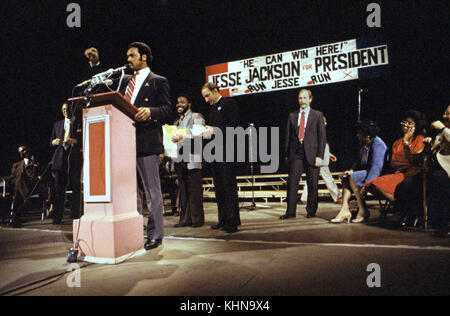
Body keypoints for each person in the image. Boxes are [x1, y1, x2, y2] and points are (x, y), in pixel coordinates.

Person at [118, 42, 172, 250]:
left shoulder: (159, 81)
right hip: (123, 142)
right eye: (127, 56)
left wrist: (150, 112)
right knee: (130, 192)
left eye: (132, 56)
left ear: (144, 57)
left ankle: (155, 234)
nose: (128, 59)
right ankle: (134, 231)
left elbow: (168, 110)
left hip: (147, 142)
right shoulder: (123, 83)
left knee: (152, 192)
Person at [395, 105, 450, 234]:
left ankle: (440, 221)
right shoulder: (440, 134)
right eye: (444, 113)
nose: (444, 116)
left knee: (439, 178)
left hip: (446, 172)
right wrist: (408, 144)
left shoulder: (444, 131)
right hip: (432, 171)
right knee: (405, 185)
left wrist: (442, 128)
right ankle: (413, 215)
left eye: (447, 114)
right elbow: (417, 160)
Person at [201, 82, 241, 233]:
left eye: (207, 96)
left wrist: (214, 130)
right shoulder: (211, 110)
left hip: (228, 152)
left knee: (229, 187)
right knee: (219, 188)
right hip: (215, 153)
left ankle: (232, 221)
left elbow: (234, 127)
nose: (206, 100)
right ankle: (223, 219)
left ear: (215, 91)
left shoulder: (229, 104)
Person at [282, 88, 326, 219]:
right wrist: (286, 155)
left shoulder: (317, 115)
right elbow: (288, 137)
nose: (302, 100)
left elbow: (322, 137)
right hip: (296, 153)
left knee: (312, 184)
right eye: (300, 98)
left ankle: (311, 211)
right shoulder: (292, 115)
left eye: (305, 98)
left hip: (312, 154)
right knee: (292, 183)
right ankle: (290, 212)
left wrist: (319, 156)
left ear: (310, 99)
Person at [363, 110, 426, 203]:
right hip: (399, 173)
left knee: (376, 184)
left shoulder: (420, 139)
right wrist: (406, 164)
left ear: (416, 126)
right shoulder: (397, 142)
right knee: (370, 185)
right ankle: (400, 205)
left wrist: (406, 141)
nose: (406, 125)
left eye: (410, 123)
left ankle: (401, 207)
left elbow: (414, 161)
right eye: (405, 122)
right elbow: (393, 163)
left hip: (413, 173)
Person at [331, 120, 387, 223]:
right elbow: (358, 161)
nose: (357, 135)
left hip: (379, 175)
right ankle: (344, 209)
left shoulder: (378, 144)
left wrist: (367, 184)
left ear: (367, 135)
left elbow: (376, 167)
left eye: (359, 133)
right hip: (367, 172)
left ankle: (363, 210)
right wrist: (350, 170)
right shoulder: (364, 145)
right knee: (346, 177)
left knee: (354, 177)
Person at [172, 93, 205, 228]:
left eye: (182, 102)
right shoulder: (176, 122)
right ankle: (185, 219)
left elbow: (198, 133)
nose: (179, 105)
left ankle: (197, 219)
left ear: (189, 104)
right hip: (180, 159)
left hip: (192, 158)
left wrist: (181, 135)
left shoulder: (196, 116)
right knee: (183, 191)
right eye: (177, 102)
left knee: (194, 191)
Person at [50, 102, 82, 224]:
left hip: (74, 159)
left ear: (71, 110)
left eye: (67, 109)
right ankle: (57, 216)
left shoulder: (78, 122)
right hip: (59, 160)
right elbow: (50, 141)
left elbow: (83, 138)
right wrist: (55, 141)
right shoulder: (57, 124)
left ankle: (76, 215)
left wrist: (75, 140)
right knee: (59, 190)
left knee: (75, 188)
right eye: (63, 109)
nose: (65, 111)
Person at [300, 116, 342, 204]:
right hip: (319, 160)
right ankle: (337, 196)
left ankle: (305, 197)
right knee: (327, 179)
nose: (325, 124)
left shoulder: (319, 133)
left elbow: (323, 147)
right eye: (324, 122)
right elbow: (314, 147)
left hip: (321, 159)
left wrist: (329, 154)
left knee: (311, 178)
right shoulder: (315, 133)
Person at [5, 146, 40, 227]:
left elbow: (37, 176)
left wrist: (34, 165)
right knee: (19, 179)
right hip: (20, 187)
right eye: (21, 151)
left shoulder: (35, 162)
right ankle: (25, 199)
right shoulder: (16, 165)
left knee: (17, 193)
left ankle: (14, 218)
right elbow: (12, 177)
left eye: (24, 150)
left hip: (32, 186)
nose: (24, 152)